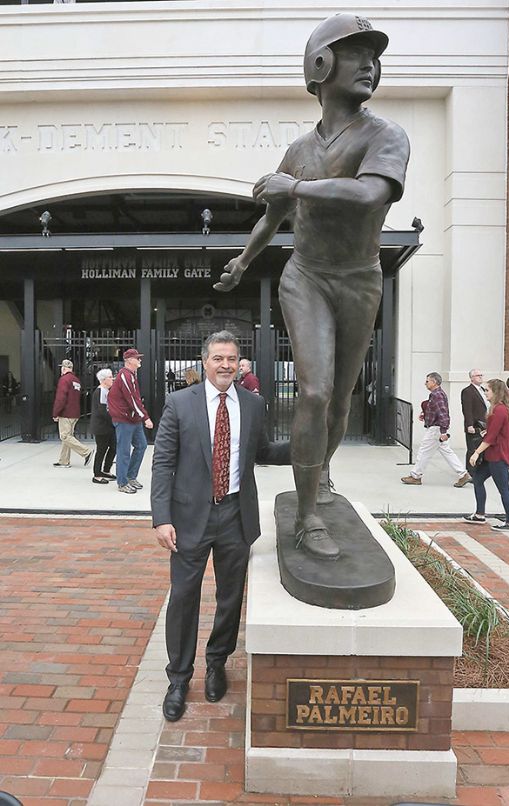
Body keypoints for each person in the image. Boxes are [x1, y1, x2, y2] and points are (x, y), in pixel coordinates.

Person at [213, 14, 409, 560]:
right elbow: (273, 215)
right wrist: (243, 260)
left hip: (359, 278)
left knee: (340, 400)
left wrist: (294, 185)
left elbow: (372, 195)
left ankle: (319, 473)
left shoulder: (386, 135)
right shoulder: (301, 148)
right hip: (307, 276)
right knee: (315, 391)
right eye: (355, 53)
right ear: (321, 65)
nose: (369, 64)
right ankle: (305, 516)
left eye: (375, 55)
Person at [151, 331, 290, 722]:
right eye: (218, 358)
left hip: (235, 515)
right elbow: (162, 463)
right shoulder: (179, 403)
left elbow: (262, 451)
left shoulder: (253, 403)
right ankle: (178, 678)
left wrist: (305, 447)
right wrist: (161, 517)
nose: (225, 364)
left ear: (239, 362)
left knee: (230, 598)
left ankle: (216, 663)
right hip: (188, 518)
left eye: (231, 358)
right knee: (183, 598)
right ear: (204, 361)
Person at [401, 372, 471, 487]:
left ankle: (415, 476)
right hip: (437, 428)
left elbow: (443, 413)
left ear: (434, 382)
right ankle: (463, 474)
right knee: (447, 452)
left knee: (424, 452)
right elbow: (436, 410)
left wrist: (443, 431)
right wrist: (425, 415)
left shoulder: (437, 395)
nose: (425, 383)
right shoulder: (437, 394)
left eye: (427, 381)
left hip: (436, 429)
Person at [464, 378, 509, 530]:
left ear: (496, 392)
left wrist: (475, 453)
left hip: (498, 455)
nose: (485, 392)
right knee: (478, 479)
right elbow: (495, 432)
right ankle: (480, 514)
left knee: (504, 489)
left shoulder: (499, 410)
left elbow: (491, 438)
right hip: (493, 455)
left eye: (487, 390)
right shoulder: (498, 409)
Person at [107, 348, 153, 494]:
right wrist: (145, 417)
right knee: (124, 450)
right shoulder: (125, 376)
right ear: (129, 360)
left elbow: (134, 399)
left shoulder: (130, 375)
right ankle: (122, 482)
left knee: (141, 446)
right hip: (125, 419)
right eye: (137, 358)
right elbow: (132, 399)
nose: (140, 360)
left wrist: (141, 415)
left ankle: (129, 476)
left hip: (132, 418)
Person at [52, 359, 92, 468]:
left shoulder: (64, 380)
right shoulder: (76, 380)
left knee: (64, 436)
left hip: (66, 413)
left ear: (63, 368)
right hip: (75, 413)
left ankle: (86, 452)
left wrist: (56, 413)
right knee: (68, 437)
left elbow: (61, 398)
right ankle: (63, 461)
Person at [90, 368, 116, 485]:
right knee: (101, 450)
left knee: (113, 447)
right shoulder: (101, 391)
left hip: (108, 426)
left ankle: (106, 469)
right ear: (103, 380)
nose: (112, 379)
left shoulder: (106, 391)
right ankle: (97, 474)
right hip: (102, 426)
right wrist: (113, 420)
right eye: (110, 377)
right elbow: (102, 411)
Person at [461, 369, 489, 469]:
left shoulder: (483, 389)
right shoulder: (468, 391)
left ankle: (480, 469)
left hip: (484, 424)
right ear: (472, 378)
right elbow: (467, 409)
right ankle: (470, 471)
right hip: (475, 425)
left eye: (481, 375)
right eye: (477, 375)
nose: (480, 377)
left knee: (482, 449)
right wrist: (469, 425)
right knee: (472, 449)